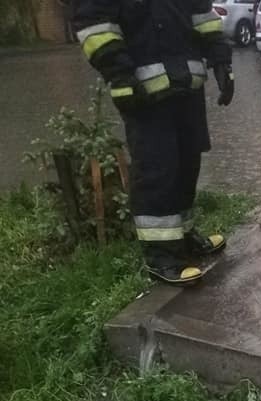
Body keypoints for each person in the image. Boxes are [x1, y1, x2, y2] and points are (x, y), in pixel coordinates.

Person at [73, 0, 235, 284]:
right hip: (143, 96)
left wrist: (221, 59)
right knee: (157, 171)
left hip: (186, 86)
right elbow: (95, 28)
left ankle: (183, 238)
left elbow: (202, 14)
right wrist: (121, 76)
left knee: (187, 164)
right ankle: (160, 257)